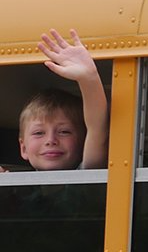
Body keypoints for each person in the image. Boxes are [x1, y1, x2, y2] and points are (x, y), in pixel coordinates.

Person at [5, 29, 108, 172]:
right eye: (39, 133)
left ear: (84, 142)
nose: (51, 140)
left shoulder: (86, 177)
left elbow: (97, 126)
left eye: (64, 131)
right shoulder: (17, 190)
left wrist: (89, 78)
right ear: (23, 148)